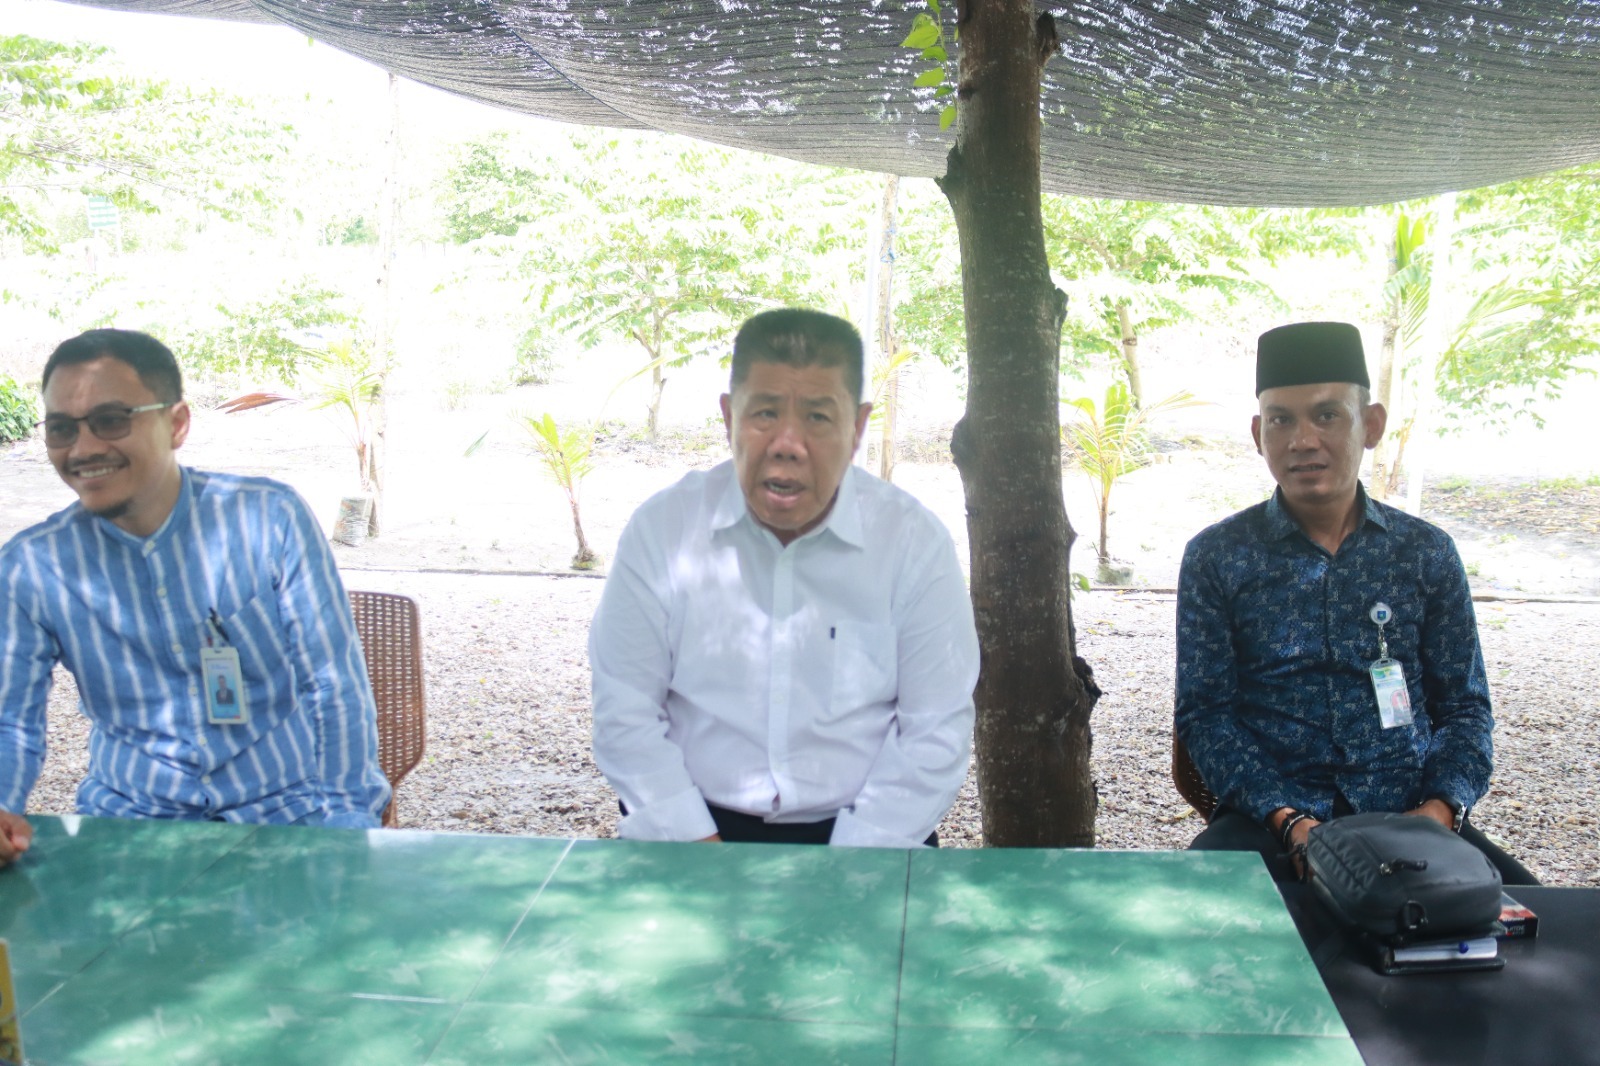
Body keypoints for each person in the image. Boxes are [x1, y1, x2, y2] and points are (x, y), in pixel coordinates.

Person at [589, 308, 979, 847]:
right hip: (690, 829)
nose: (787, 443)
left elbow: (936, 730)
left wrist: (851, 866)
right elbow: (624, 710)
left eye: (818, 417)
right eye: (765, 413)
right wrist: (695, 849)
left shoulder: (912, 544)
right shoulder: (664, 530)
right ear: (729, 416)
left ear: (857, 428)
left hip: (870, 836)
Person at [0, 329, 390, 866]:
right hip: (128, 828)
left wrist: (343, 828)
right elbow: (10, 721)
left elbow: (333, 683)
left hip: (286, 818)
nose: (83, 448)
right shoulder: (32, 567)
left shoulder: (268, 519)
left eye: (111, 420)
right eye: (62, 428)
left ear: (177, 423)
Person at [1176, 321, 1536, 884]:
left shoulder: (1425, 553)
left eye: (1327, 415)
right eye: (1281, 420)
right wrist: (1287, 819)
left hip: (1409, 815)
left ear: (1371, 425)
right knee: (1195, 925)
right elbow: (1206, 716)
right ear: (1258, 433)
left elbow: (1465, 709)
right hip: (1270, 821)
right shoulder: (1218, 557)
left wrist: (1439, 810)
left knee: (1537, 920)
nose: (1302, 440)